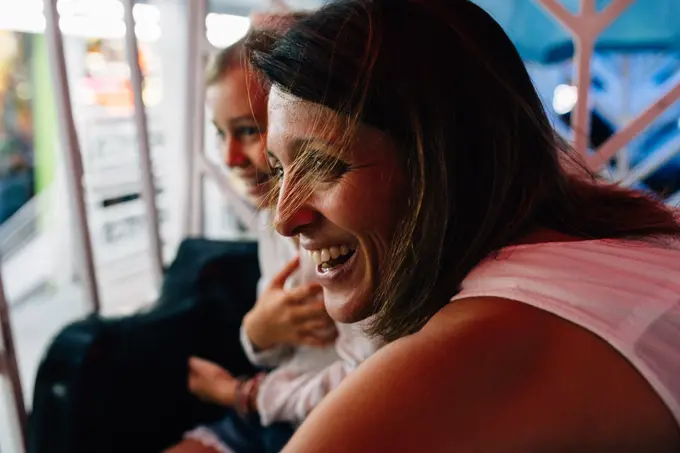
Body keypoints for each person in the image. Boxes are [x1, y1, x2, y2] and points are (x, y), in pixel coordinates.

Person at [250, 1, 680, 451]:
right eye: (279, 170)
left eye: (324, 164)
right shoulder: (615, 230)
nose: (284, 218)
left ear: (446, 163)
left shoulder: (482, 348)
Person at [166, 13, 382, 453]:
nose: (229, 157)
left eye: (247, 130)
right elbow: (283, 342)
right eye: (219, 134)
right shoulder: (274, 221)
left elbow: (370, 378)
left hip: (307, 415)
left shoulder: (353, 232)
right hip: (275, 410)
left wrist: (240, 394)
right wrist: (257, 332)